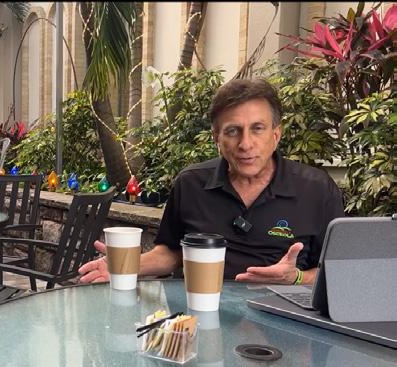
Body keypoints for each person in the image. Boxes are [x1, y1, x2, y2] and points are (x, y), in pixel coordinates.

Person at [79, 79, 344, 286]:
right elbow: (172, 253)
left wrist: (296, 278)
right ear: (217, 138)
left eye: (257, 128)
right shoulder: (191, 184)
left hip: (282, 318)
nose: (245, 144)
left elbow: (339, 273)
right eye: (232, 131)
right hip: (199, 312)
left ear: (276, 135)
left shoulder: (317, 190)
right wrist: (125, 265)